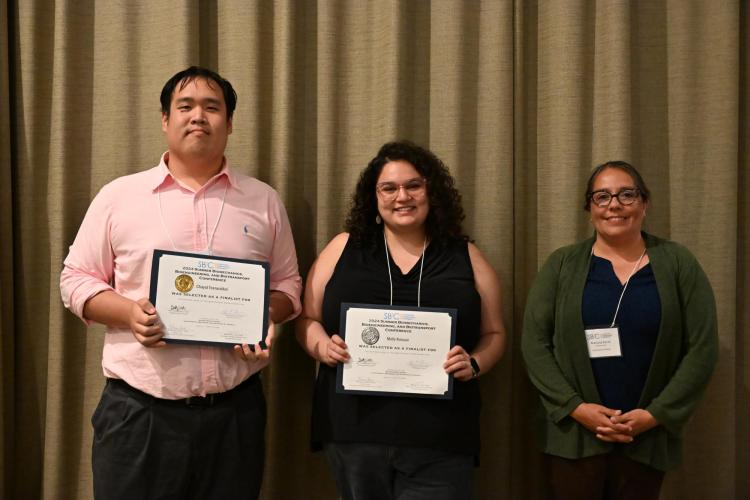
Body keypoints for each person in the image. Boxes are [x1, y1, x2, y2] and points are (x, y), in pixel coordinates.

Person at [60, 66, 302, 499]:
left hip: (234, 414)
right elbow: (75, 279)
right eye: (185, 106)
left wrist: (260, 314)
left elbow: (289, 285)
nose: (198, 117)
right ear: (165, 120)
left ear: (229, 124)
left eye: (213, 107)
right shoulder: (119, 196)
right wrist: (130, 313)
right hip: (139, 414)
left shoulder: (263, 199)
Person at [296, 141, 507, 500]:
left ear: (431, 191)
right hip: (354, 432)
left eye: (414, 185)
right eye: (388, 188)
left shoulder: (465, 255)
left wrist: (475, 363)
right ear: (374, 197)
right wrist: (322, 347)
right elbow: (307, 319)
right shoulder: (342, 247)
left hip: (441, 436)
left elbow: (495, 333)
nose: (402, 196)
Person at [521, 161, 718, 500]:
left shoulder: (678, 262)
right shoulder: (562, 264)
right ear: (589, 208)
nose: (614, 204)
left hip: (645, 437)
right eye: (602, 197)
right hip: (574, 438)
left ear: (644, 203)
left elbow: (702, 348)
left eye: (627, 194)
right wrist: (575, 407)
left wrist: (655, 414)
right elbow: (534, 343)